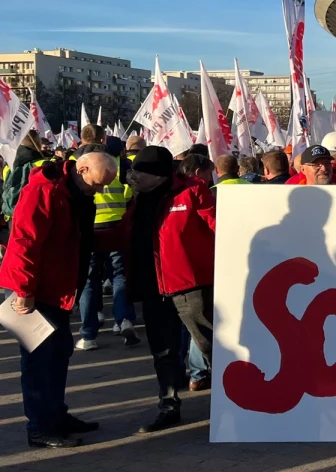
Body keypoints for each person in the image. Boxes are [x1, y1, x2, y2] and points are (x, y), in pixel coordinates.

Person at [0, 151, 117, 448]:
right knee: (39, 362)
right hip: (38, 292)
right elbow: (24, 242)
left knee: (59, 354)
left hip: (59, 290)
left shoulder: (70, 193)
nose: (100, 190)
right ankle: (40, 427)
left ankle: (55, 416)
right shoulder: (43, 191)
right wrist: (24, 291)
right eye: (98, 183)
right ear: (82, 168)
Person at [121, 146, 217, 432]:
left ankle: (235, 399)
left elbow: (218, 226)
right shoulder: (137, 199)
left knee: (209, 344)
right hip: (152, 288)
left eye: (139, 172)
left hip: (190, 286)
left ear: (159, 175)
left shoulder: (192, 190)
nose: (132, 177)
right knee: (163, 352)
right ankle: (168, 405)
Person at [77, 142, 138, 351]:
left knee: (89, 281)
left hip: (91, 229)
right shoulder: (119, 167)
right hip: (116, 225)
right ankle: (124, 320)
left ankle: (88, 334)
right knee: (120, 276)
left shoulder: (79, 167)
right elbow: (130, 196)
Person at [3, 130, 47, 220]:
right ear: (37, 142)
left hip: (12, 216)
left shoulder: (7, 167)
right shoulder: (43, 164)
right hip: (35, 216)